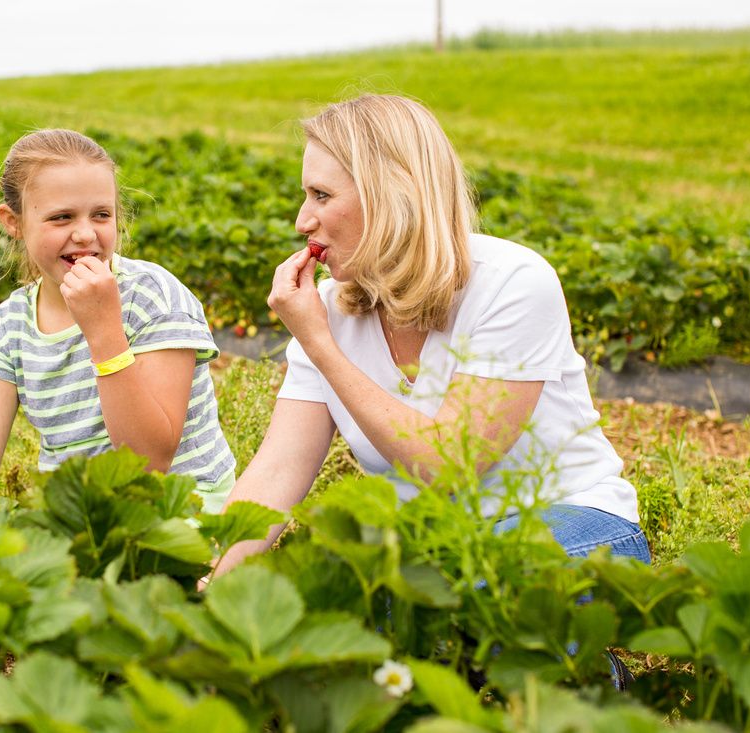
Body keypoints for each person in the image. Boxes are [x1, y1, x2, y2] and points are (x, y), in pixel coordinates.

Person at [213, 94, 649, 575]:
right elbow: (279, 470)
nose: (302, 220)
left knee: (461, 591)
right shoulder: (332, 307)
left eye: (322, 195)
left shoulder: (514, 282)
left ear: (392, 194)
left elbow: (447, 466)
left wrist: (321, 347)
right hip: (439, 549)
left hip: (574, 525)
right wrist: (210, 573)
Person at [0, 129, 236, 512]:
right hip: (80, 513)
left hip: (181, 504)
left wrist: (104, 329)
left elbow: (150, 461)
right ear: (14, 222)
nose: (85, 233)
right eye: (61, 217)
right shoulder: (8, 328)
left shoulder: (153, 297)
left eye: (101, 214)